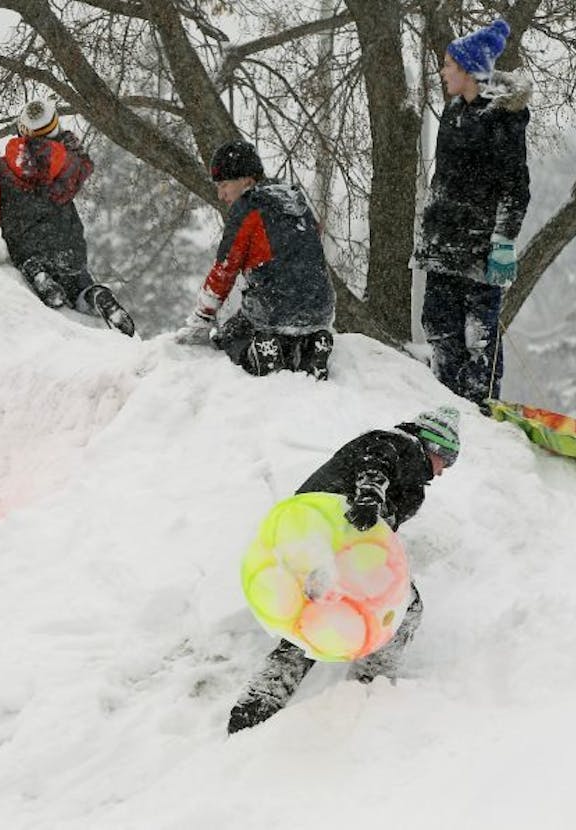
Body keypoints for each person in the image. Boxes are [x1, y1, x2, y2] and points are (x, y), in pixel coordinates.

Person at [227, 406, 461, 733]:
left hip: (316, 542)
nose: (443, 471)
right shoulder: (397, 444)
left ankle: (257, 705)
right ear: (434, 446)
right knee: (405, 607)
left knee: (311, 619)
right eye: (447, 460)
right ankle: (370, 686)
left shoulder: (410, 473)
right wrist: (370, 494)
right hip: (328, 536)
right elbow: (376, 460)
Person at [413, 19, 531, 407]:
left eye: (448, 64)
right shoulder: (451, 113)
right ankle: (444, 406)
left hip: (478, 249)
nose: (443, 71)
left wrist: (503, 240)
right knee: (438, 329)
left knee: (478, 339)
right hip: (442, 247)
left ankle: (479, 414)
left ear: (467, 70)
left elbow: (515, 186)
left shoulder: (501, 119)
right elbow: (442, 180)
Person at [0, 99, 136, 337]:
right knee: (78, 283)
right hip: (68, 242)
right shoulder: (69, 163)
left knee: (31, 262)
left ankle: (37, 274)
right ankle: (94, 295)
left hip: (24, 244)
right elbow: (77, 162)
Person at [177, 139, 335, 380]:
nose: (220, 194)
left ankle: (258, 353)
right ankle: (313, 346)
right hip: (320, 307)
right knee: (290, 328)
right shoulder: (294, 199)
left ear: (247, 181)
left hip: (274, 308)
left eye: (224, 185)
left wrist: (202, 317)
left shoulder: (248, 208)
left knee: (230, 336)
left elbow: (225, 269)